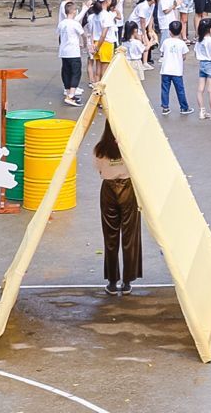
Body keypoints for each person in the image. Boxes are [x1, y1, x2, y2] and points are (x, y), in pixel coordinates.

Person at [92, 121, 141, 295]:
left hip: (108, 190)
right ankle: (127, 281)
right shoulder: (128, 147)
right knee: (130, 235)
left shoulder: (99, 149)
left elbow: (99, 170)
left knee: (110, 236)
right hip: (128, 189)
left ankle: (112, 281)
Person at [158, 20, 192, 115]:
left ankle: (165, 107)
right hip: (177, 71)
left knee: (165, 89)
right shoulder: (182, 43)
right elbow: (184, 56)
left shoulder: (166, 42)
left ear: (170, 31)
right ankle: (184, 107)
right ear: (181, 31)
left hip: (165, 70)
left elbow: (162, 52)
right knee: (180, 90)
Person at [56, 0, 85, 106]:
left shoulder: (61, 24)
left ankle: (68, 92)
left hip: (64, 51)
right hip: (73, 51)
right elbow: (83, 35)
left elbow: (59, 35)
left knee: (66, 72)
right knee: (76, 72)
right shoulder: (75, 24)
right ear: (73, 12)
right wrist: (85, 44)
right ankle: (71, 95)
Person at [194, 16, 211, 120]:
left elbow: (196, 53)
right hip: (210, 64)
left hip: (202, 64)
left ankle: (202, 111)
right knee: (210, 90)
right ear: (210, 29)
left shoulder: (199, 41)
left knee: (200, 89)